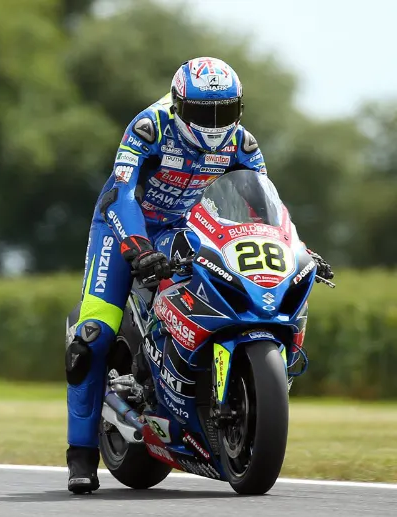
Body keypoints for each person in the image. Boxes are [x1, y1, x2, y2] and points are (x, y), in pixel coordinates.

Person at [64, 57, 334, 494]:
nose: (213, 124)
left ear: (239, 109)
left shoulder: (243, 145)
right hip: (124, 226)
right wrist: (136, 244)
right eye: (202, 113)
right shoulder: (149, 128)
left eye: (224, 113)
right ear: (178, 104)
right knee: (92, 335)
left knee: (230, 288)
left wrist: (296, 249)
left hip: (188, 228)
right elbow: (121, 190)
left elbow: (263, 207)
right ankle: (81, 454)